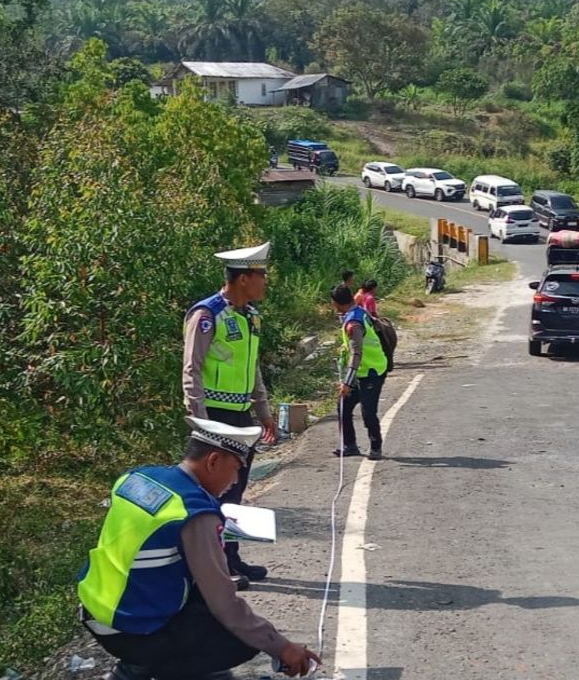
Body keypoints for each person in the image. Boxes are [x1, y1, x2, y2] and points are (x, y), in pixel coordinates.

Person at [77, 417, 321, 680]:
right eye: (237, 468)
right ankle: (140, 667)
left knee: (202, 605)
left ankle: (140, 666)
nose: (237, 479)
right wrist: (282, 647)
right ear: (213, 461)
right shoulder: (196, 514)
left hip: (95, 606)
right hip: (129, 627)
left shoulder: (136, 477)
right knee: (237, 639)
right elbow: (225, 604)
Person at [183, 242, 277, 587]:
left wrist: (263, 410)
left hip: (241, 416)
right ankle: (210, 568)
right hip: (215, 417)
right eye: (261, 275)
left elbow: (252, 369)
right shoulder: (207, 315)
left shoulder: (250, 317)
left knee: (236, 492)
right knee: (210, 494)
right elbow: (191, 370)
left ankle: (230, 558)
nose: (265, 282)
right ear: (243, 278)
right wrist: (201, 421)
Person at [331, 284, 388, 459]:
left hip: (372, 371)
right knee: (343, 406)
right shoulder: (357, 312)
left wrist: (347, 382)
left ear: (336, 303)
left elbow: (357, 353)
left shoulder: (354, 322)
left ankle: (375, 447)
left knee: (368, 411)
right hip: (359, 372)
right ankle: (350, 445)